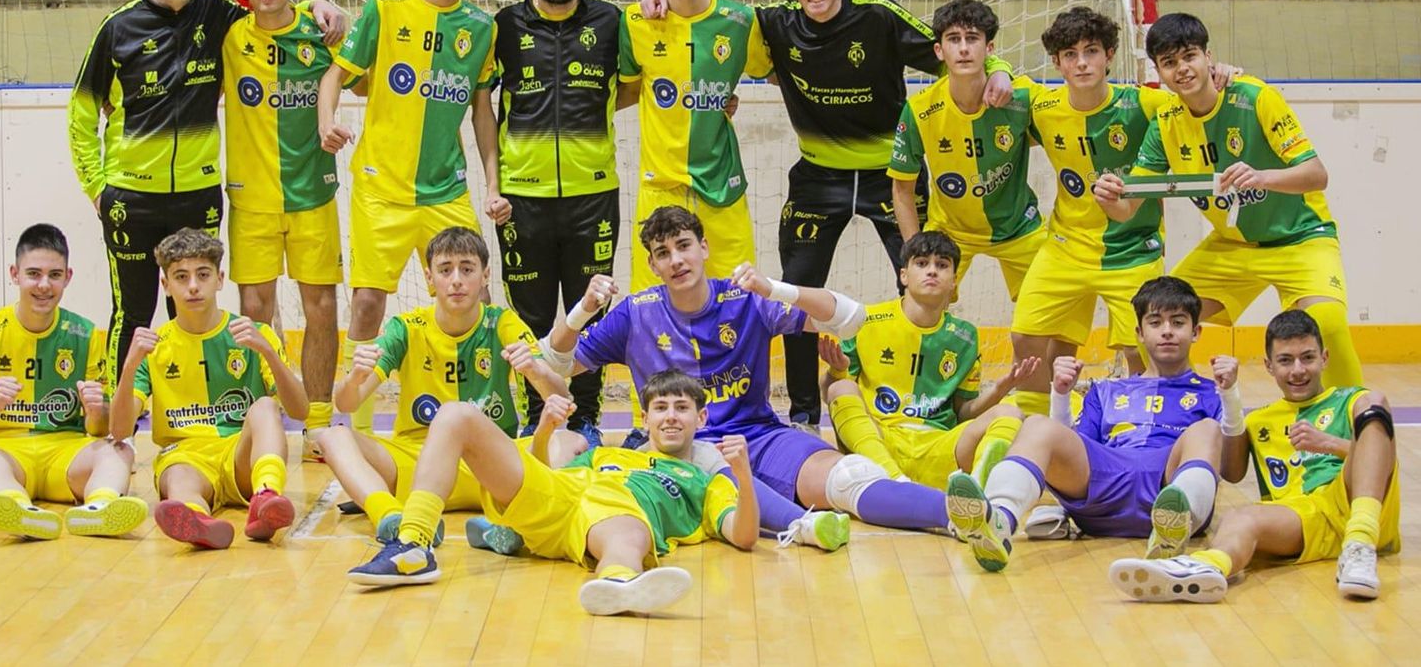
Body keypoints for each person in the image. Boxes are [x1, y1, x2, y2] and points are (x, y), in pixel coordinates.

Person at [641, 0, 1014, 429]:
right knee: (795, 295)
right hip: (818, 177)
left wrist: (1001, 69)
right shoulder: (773, 23)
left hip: (893, 177)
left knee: (929, 286)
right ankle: (803, 414)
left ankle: (927, 401)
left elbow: (952, 49)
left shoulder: (877, 16)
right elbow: (708, 17)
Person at [545, 204, 956, 540]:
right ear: (652, 265)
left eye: (684, 245)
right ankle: (804, 528)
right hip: (680, 449)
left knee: (847, 478)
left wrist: (774, 288)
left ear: (704, 248)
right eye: (663, 253)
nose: (677, 260)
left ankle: (959, 514)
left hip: (758, 435)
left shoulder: (746, 298)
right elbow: (558, 365)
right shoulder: (637, 312)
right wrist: (582, 310)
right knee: (709, 469)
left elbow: (851, 319)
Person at [69, 0, 346, 375]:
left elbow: (275, 17)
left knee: (197, 312)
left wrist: (319, 5)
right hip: (130, 196)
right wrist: (97, 187)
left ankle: (199, 407)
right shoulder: (117, 29)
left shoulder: (220, 17)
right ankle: (123, 417)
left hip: (197, 196)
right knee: (133, 312)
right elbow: (81, 113)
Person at [347, 369, 759, 617]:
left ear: (701, 417)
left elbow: (742, 536)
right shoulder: (608, 455)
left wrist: (741, 474)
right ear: (644, 417)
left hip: (613, 519)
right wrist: (543, 432)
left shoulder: (706, 480)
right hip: (562, 495)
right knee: (456, 415)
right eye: (662, 408)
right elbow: (547, 474)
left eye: (682, 408)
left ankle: (619, 580)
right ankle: (413, 544)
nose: (671, 416)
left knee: (622, 521)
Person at [1094, 12, 1362, 389]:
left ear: (1208, 56)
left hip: (1301, 239)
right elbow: (1127, 208)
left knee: (1328, 325)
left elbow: (1317, 175)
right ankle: (1154, 412)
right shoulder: (1165, 123)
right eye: (1169, 63)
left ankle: (1359, 426)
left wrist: (1262, 177)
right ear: (1159, 71)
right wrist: (1109, 197)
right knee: (1155, 318)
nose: (1182, 69)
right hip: (1231, 247)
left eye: (1189, 57)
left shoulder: (1255, 97)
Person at [318, 0, 502, 438]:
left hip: (445, 190)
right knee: (369, 302)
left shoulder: (480, 28)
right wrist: (328, 123)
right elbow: (337, 75)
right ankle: (350, 426)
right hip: (380, 188)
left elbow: (482, 112)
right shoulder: (385, 6)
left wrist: (491, 185)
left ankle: (485, 413)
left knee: (477, 298)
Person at [1110, 310, 1399, 603]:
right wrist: (1230, 395)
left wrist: (1329, 443)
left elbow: (1382, 460)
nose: (1298, 370)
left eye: (1307, 358)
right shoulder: (1260, 420)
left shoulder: (1351, 401)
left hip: (1355, 505)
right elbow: (1232, 473)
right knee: (1240, 516)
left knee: (1375, 400)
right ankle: (1204, 568)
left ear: (1324, 358)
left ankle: (1360, 545)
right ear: (1269, 366)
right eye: (1285, 360)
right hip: (1299, 521)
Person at [947, 276, 1228, 571]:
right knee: (1039, 425)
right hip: (1104, 489)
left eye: (1178, 322)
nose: (1167, 332)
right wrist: (1060, 395)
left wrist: (1231, 397)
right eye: (1156, 322)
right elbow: (1067, 456)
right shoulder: (1105, 391)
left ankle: (1175, 528)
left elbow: (1233, 471)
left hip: (1168, 483)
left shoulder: (1213, 392)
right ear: (1139, 333)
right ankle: (999, 521)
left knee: (1207, 429)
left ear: (1196, 332)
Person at [314, 226, 569, 542]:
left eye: (467, 268)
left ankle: (512, 523)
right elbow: (346, 404)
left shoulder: (502, 322)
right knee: (332, 436)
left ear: (485, 275)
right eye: (446, 270)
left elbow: (561, 399)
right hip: (419, 465)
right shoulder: (406, 327)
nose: (457, 280)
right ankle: (389, 516)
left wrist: (537, 372)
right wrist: (354, 378)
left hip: (488, 462)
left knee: (570, 442)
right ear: (429, 278)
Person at [489, 0, 631, 444]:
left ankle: (586, 416)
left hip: (592, 196)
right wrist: (496, 182)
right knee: (528, 315)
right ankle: (537, 414)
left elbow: (632, 87)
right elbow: (485, 101)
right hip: (522, 200)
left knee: (588, 311)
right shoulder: (504, 25)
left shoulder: (611, 22)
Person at [889, 0, 1051, 414]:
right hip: (950, 231)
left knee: (1039, 322)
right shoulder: (921, 108)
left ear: (990, 48)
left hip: (1020, 228)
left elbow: (1068, 125)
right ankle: (922, 400)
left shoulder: (1019, 100)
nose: (963, 48)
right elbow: (902, 190)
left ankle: (1037, 413)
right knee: (917, 307)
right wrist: (916, 252)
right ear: (939, 51)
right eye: (953, 40)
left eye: (973, 39)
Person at [110, 228, 310, 549]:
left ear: (219, 279)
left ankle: (266, 496)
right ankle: (197, 520)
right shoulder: (154, 346)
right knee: (178, 478)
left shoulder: (252, 333)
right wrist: (130, 366)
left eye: (202, 275)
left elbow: (301, 411)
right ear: (165, 285)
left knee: (265, 408)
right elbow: (119, 431)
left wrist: (270, 354)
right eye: (181, 276)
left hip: (240, 453)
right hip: (186, 455)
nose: (192, 286)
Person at [220, 0, 343, 459]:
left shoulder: (322, 32)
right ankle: (265, 410)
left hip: (313, 195)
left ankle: (317, 420)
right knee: (254, 310)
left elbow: (359, 70)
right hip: (252, 199)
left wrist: (333, 10)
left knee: (320, 306)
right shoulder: (226, 35)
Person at [1010, 6, 1175, 380]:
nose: (1082, 63)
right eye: (1070, 55)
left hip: (1132, 249)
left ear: (1110, 55)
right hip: (1065, 246)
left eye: (1092, 51)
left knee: (1139, 351)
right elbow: (997, 80)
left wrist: (1224, 75)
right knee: (1025, 336)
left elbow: (1199, 102)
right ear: (1057, 62)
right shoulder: (1043, 107)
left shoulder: (1146, 105)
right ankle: (1038, 421)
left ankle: (1137, 429)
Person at [0, 224, 145, 540]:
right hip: (3, 451)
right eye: (34, 274)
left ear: (68, 277)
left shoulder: (83, 333)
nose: (44, 285)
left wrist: (96, 411)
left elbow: (99, 430)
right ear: (15, 274)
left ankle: (100, 507)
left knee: (120, 450)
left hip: (65, 453)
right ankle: (16, 507)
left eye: (55, 275)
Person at [617, 0, 773, 294]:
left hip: (721, 186)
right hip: (661, 184)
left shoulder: (740, 21)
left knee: (738, 293)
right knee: (651, 301)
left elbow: (772, 72)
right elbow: (625, 91)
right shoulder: (635, 20)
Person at [818, 230, 1034, 490]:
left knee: (1010, 412)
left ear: (954, 280)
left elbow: (964, 412)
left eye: (942, 265)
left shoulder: (965, 337)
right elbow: (829, 394)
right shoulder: (865, 320)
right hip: (878, 442)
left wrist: (1001, 388)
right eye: (921, 264)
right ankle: (892, 481)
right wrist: (836, 371)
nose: (932, 271)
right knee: (841, 387)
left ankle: (975, 491)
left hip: (938, 448)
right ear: (904, 275)